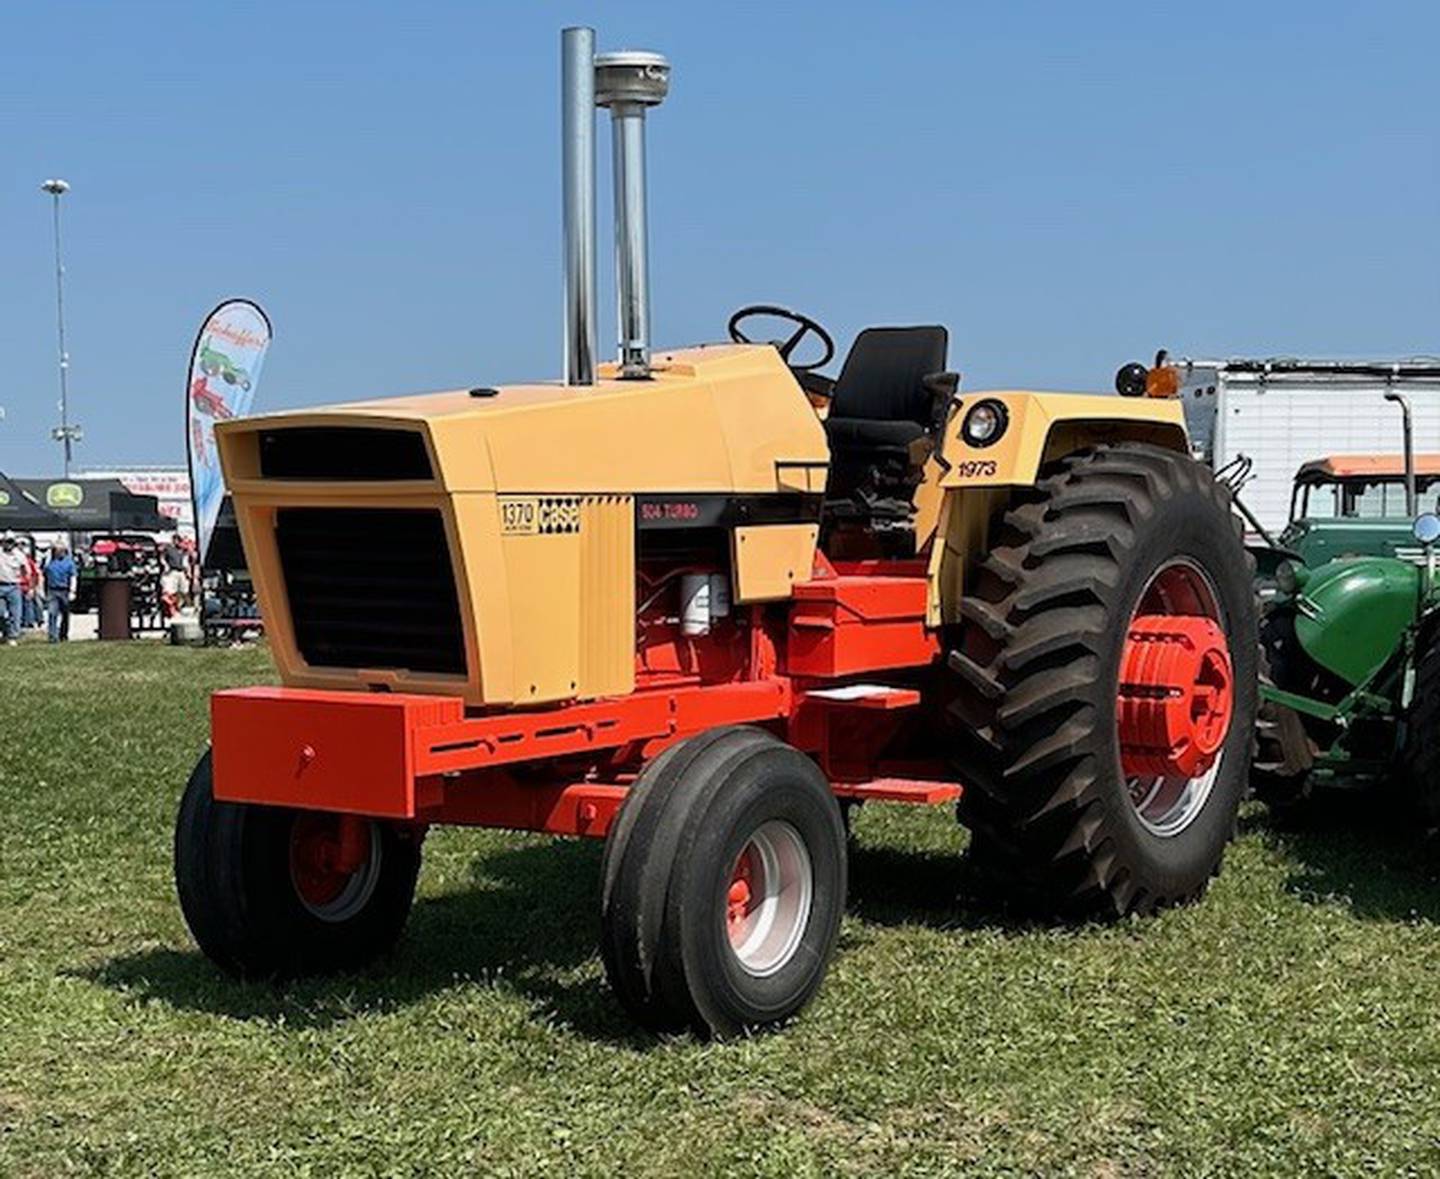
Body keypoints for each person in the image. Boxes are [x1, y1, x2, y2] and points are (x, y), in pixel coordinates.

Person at [43, 541, 78, 643]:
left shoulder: (69, 563)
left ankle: (63, 634)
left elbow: (73, 577)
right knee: (52, 613)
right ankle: (53, 636)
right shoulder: (49, 562)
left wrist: (73, 591)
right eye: (57, 550)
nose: (59, 552)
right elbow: (43, 575)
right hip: (52, 590)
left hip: (65, 590)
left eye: (61, 550)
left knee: (65, 614)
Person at [0, 532, 25, 646]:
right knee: (1, 613)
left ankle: (12, 636)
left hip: (14, 586)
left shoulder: (19, 555)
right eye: (7, 541)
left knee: (15, 614)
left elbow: (25, 569)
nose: (9, 544)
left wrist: (26, 585)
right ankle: (5, 631)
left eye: (11, 542)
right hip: (1, 585)